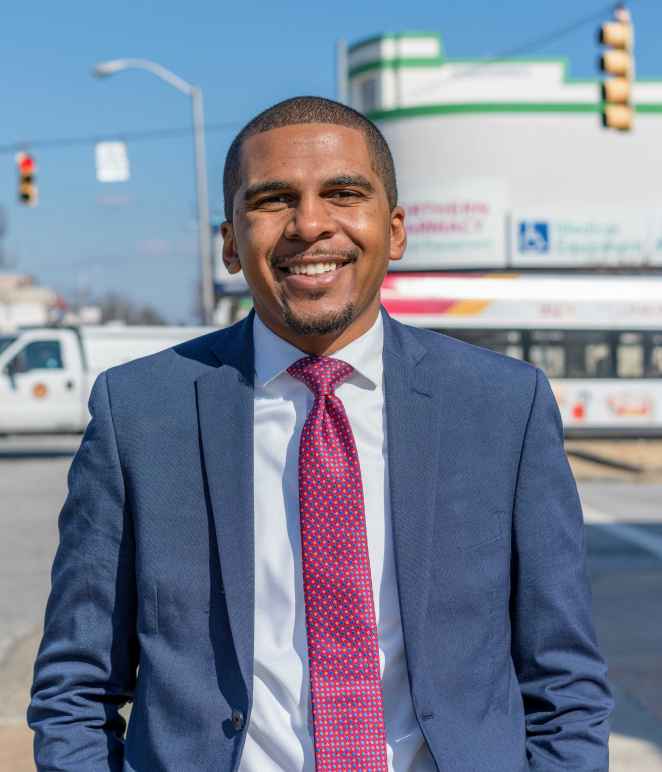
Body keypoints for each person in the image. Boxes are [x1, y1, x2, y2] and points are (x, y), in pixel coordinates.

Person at [28, 96, 613, 771]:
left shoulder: (503, 407)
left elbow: (564, 682)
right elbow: (76, 687)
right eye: (273, 200)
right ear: (228, 242)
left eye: (343, 193)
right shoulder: (138, 413)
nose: (310, 225)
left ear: (394, 230)